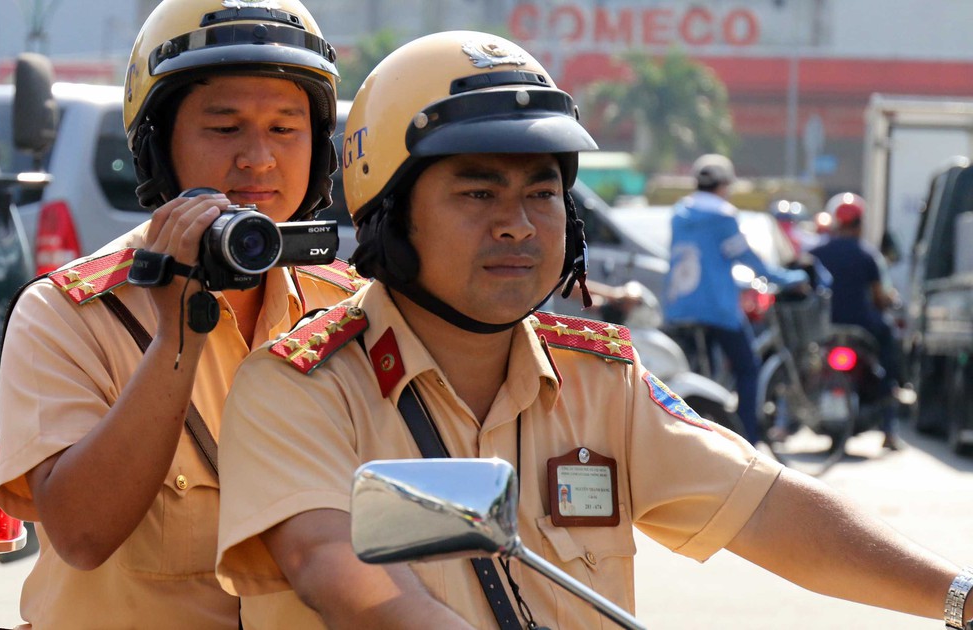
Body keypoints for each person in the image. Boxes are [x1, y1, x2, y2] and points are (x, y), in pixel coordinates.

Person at [212, 31, 973, 630]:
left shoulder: (601, 382)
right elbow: (332, 566)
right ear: (388, 213)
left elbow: (769, 510)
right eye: (477, 192)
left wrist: (960, 596)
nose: (517, 224)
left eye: (542, 193)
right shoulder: (298, 387)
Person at [0, 1, 359, 627]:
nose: (259, 158)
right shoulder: (66, 315)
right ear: (159, 145)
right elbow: (82, 535)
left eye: (284, 128)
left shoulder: (348, 307)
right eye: (225, 127)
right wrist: (176, 340)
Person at [663, 154, 809, 444]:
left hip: (678, 307)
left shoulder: (680, 214)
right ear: (724, 185)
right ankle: (746, 439)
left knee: (693, 372)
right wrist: (790, 278)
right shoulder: (723, 217)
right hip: (717, 309)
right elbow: (749, 260)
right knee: (747, 368)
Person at [808, 192, 904, 450]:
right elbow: (879, 296)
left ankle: (783, 422)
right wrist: (889, 300)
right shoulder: (867, 254)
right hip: (863, 327)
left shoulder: (816, 252)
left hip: (823, 329)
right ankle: (889, 428)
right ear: (860, 223)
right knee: (890, 354)